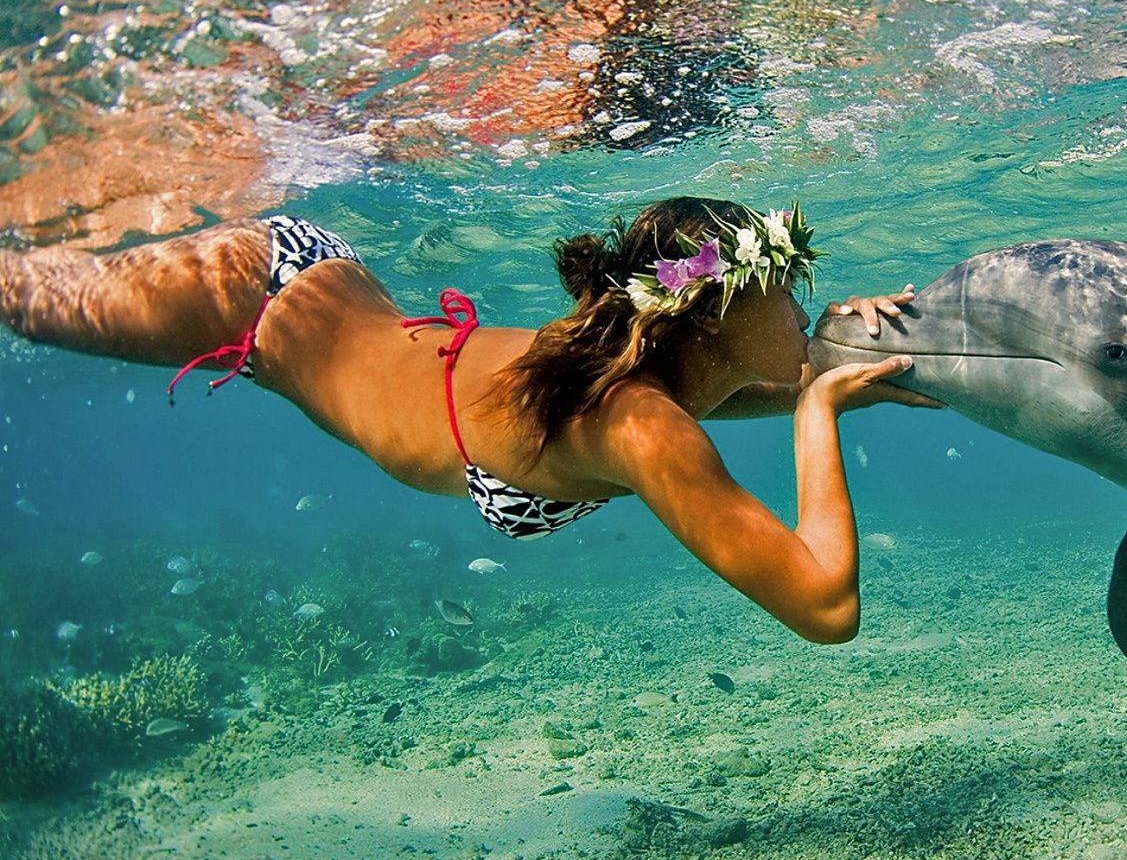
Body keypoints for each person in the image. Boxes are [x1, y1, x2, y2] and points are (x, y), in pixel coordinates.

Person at [0, 197, 934, 643]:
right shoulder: (642, 424)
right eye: (786, 291)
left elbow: (764, 376)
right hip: (253, 297)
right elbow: (825, 606)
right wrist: (819, 411)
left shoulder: (653, 371)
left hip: (314, 277)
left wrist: (869, 346)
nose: (802, 308)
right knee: (20, 288)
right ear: (713, 315)